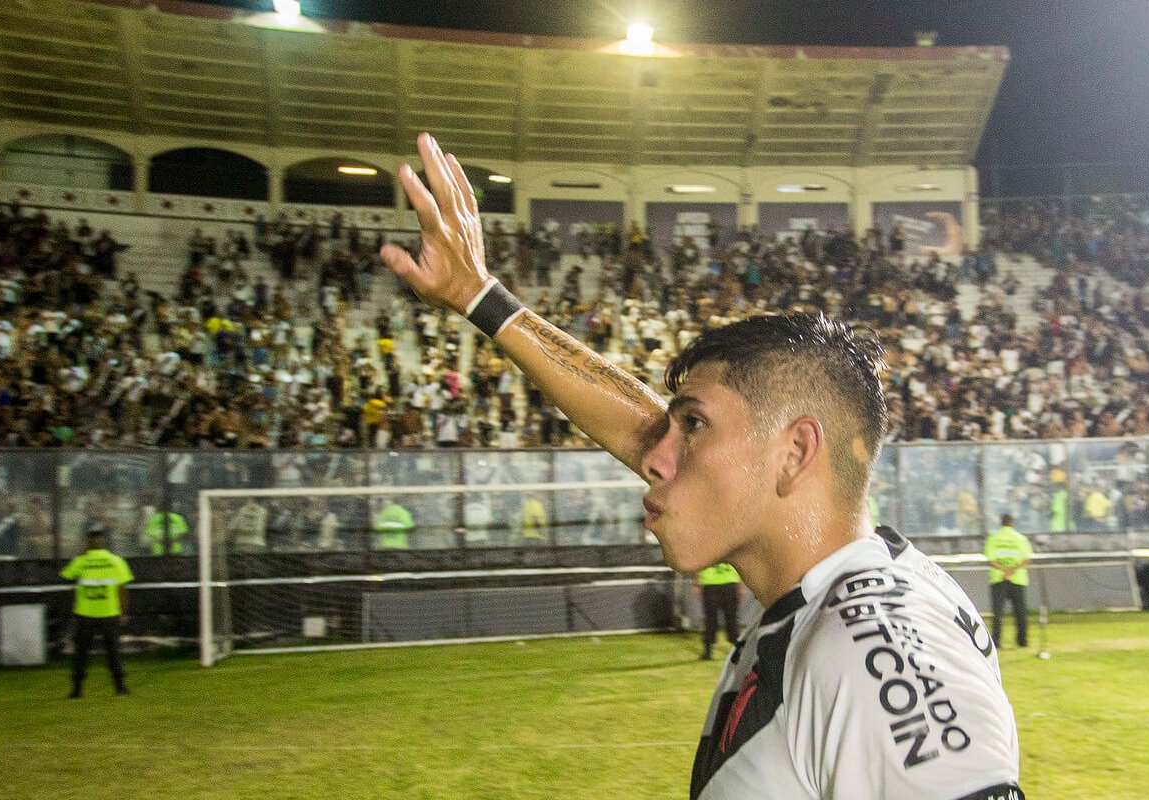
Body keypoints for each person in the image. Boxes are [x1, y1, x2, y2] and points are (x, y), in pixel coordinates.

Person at [379, 133, 1022, 799]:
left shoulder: (871, 648)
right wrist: (479, 297)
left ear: (794, 454)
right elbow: (641, 428)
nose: (653, 460)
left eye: (693, 425)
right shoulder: (839, 603)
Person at [60, 525, 133, 698]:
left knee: (81, 654)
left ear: (88, 542)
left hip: (85, 615)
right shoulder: (115, 561)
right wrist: (124, 613)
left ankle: (77, 690)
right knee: (113, 653)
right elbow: (123, 589)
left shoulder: (81, 561)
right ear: (103, 542)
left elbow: (66, 575)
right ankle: (120, 687)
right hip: (109, 614)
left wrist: (81, 553)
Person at [985, 513, 1034, 649]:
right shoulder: (1021, 539)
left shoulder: (993, 538)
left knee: (998, 613)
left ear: (1001, 522)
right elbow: (1027, 559)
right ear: (1012, 523)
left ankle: (996, 642)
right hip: (1018, 579)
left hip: (998, 578)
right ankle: (1022, 641)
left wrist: (1004, 570)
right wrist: (1012, 570)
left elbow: (990, 559)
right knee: (1020, 612)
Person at [695, 562, 741, 661]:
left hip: (713, 583)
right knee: (729, 618)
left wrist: (696, 584)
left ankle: (708, 652)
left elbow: (699, 562)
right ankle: (737, 652)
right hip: (726, 582)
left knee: (712, 619)